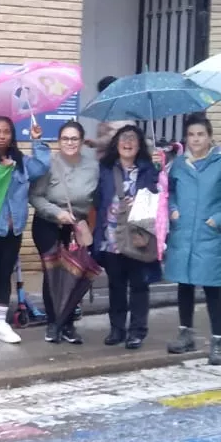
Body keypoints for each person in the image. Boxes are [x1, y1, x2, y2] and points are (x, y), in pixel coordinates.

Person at [160, 112, 221, 366]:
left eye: (201, 134)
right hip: (183, 232)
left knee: (212, 288)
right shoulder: (179, 165)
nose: (195, 139)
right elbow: (169, 192)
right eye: (191, 135)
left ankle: (218, 341)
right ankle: (186, 335)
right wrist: (173, 209)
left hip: (209, 234)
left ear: (210, 137)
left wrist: (219, 219)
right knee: (184, 285)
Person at [0, 116, 50, 346]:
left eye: (6, 132)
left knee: (4, 276)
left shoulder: (20, 161)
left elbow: (42, 166)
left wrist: (37, 141)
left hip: (13, 232)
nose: (2, 136)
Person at [29, 119, 99, 345]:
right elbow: (35, 196)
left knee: (75, 274)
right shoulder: (48, 163)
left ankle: (68, 324)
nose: (70, 143)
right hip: (49, 224)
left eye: (74, 138)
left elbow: (98, 197)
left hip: (76, 227)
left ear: (82, 141)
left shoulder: (93, 166)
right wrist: (56, 213)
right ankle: (53, 322)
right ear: (59, 141)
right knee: (53, 275)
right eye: (65, 138)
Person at [93, 124, 161, 350]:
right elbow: (97, 199)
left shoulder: (149, 170)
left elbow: (159, 197)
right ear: (116, 144)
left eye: (133, 138)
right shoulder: (105, 168)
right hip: (111, 238)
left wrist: (159, 170)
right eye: (123, 138)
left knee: (139, 285)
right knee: (116, 285)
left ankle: (137, 331)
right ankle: (117, 329)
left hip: (138, 236)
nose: (128, 142)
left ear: (140, 145)